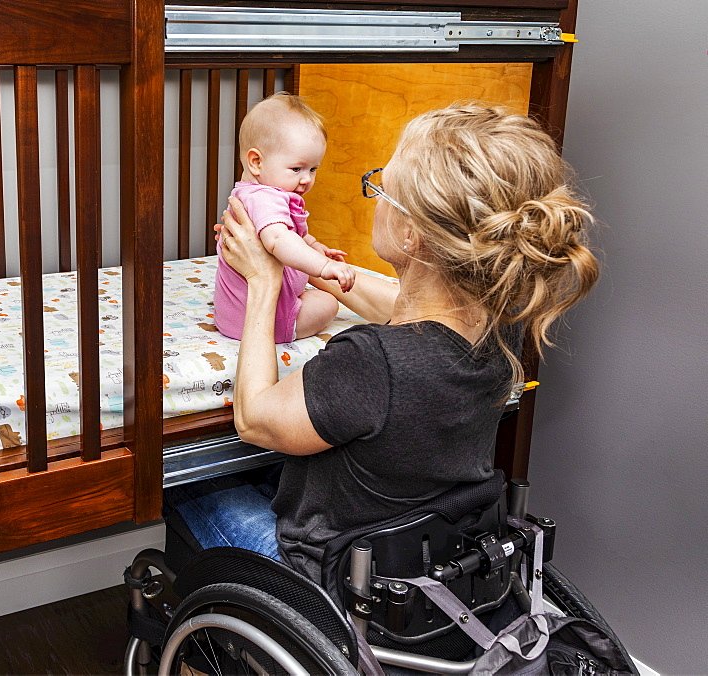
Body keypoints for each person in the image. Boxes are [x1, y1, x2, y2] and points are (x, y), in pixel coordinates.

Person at [168, 103, 600, 582]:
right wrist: (316, 269)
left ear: (412, 234)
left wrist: (263, 283)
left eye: (381, 190)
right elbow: (404, 304)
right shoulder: (503, 321)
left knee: (185, 479)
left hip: (332, 573)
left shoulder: (371, 361)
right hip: (429, 557)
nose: (373, 199)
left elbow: (254, 419)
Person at [213, 92, 355, 343]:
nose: (306, 179)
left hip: (236, 317)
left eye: (313, 169)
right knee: (328, 303)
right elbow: (278, 239)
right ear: (256, 161)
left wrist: (313, 247)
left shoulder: (259, 194)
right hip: (264, 319)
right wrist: (325, 267)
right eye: (297, 168)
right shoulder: (264, 198)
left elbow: (293, 234)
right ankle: (286, 330)